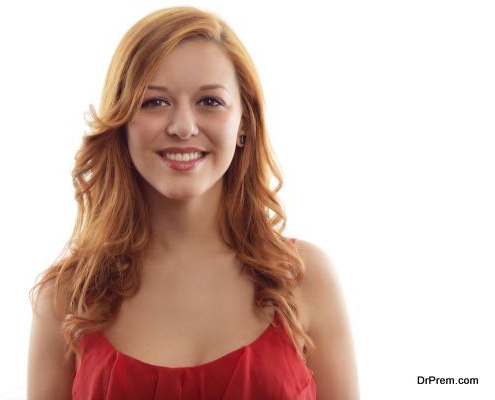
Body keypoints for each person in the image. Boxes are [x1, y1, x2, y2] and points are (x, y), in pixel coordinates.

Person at [27, 6, 358, 400]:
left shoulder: (304, 277)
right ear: (122, 122)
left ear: (244, 124)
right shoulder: (67, 297)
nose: (183, 126)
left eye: (210, 102)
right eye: (154, 102)